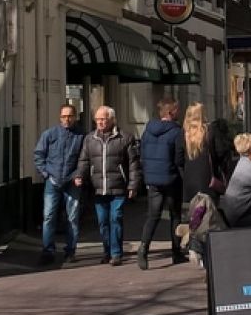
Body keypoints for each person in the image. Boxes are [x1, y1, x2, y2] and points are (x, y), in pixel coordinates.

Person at [75, 106, 139, 266]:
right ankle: (107, 251)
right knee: (103, 222)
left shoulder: (125, 138)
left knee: (115, 218)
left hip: (118, 186)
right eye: (97, 119)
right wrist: (79, 175)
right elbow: (84, 160)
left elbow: (133, 164)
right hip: (98, 188)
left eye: (103, 119)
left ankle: (116, 254)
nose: (100, 122)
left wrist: (133, 185)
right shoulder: (90, 139)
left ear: (112, 119)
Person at [137, 98, 188, 269]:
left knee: (153, 216)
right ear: (171, 112)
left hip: (153, 179)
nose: (179, 112)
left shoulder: (148, 130)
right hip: (171, 178)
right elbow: (179, 157)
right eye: (177, 110)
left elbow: (142, 154)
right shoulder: (177, 132)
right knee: (175, 215)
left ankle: (143, 249)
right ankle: (176, 252)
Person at [32, 104, 85, 265]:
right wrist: (46, 174)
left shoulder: (81, 136)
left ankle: (70, 251)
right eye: (63, 116)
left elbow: (84, 159)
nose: (66, 119)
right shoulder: (50, 134)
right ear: (59, 117)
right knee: (48, 217)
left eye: (69, 116)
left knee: (72, 218)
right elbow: (38, 155)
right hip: (52, 181)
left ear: (75, 117)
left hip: (72, 182)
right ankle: (48, 251)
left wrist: (78, 174)